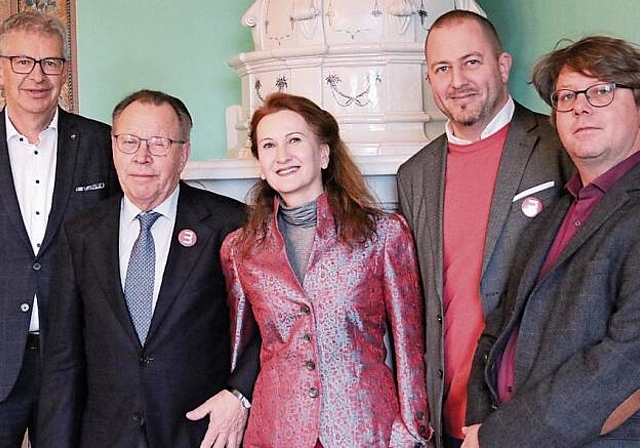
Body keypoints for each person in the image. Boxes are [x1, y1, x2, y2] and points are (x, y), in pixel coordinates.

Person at [37, 89, 259, 447]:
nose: (142, 157)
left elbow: (269, 325)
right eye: (129, 142)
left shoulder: (230, 224)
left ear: (183, 153)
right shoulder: (81, 233)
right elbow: (63, 358)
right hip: (107, 436)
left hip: (199, 432)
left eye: (159, 143)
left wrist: (239, 394)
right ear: (113, 147)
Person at [396, 10, 575, 448]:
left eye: (471, 62)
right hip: (445, 417)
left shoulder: (559, 145)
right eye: (442, 68)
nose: (457, 80)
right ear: (430, 79)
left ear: (503, 65)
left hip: (528, 412)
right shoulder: (414, 174)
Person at [222, 92, 431, 447]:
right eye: (269, 145)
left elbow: (409, 348)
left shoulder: (383, 235)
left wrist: (413, 431)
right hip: (276, 432)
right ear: (260, 161)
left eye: (295, 141)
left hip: (366, 429)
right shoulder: (240, 249)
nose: (282, 156)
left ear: (323, 153)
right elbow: (239, 352)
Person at [463, 35, 640, 447]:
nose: (580, 106)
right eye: (566, 97)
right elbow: (499, 328)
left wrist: (499, 437)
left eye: (601, 91)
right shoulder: (555, 211)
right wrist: (478, 424)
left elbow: (625, 360)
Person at [0, 10, 118, 447]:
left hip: (75, 357)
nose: (37, 75)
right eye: (23, 61)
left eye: (50, 62)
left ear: (65, 70)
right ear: (2, 67)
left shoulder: (102, 144)